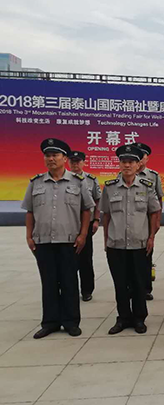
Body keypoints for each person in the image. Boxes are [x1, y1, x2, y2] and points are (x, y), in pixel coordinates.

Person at [23, 138, 94, 339]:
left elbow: (86, 210)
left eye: (55, 155)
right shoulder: (36, 182)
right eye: (47, 155)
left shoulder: (78, 182)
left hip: (69, 241)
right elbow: (30, 211)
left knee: (69, 281)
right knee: (49, 282)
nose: (51, 159)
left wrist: (83, 234)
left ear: (64, 158)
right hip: (43, 241)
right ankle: (50, 322)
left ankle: (71, 322)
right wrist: (29, 236)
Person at [101, 144, 161, 334]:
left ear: (138, 165)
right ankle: (123, 318)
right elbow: (106, 215)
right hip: (116, 244)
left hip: (139, 244)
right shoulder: (110, 187)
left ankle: (139, 318)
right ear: (119, 164)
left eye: (131, 162)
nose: (127, 165)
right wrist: (106, 239)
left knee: (138, 283)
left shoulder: (147, 187)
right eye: (124, 162)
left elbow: (154, 212)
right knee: (120, 284)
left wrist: (151, 237)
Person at [68, 150, 102, 302]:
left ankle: (87, 290)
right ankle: (69, 289)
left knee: (85, 258)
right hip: (68, 225)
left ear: (83, 162)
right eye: (72, 161)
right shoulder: (63, 179)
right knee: (68, 259)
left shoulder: (91, 180)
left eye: (78, 161)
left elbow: (97, 200)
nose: (75, 164)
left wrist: (96, 220)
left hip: (86, 225)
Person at [133, 142, 164, 301]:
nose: (139, 159)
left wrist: (156, 221)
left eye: (142, 156)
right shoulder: (122, 174)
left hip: (147, 220)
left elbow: (159, 199)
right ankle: (131, 287)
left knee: (146, 254)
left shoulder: (153, 176)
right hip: (130, 220)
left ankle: (145, 288)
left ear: (146, 159)